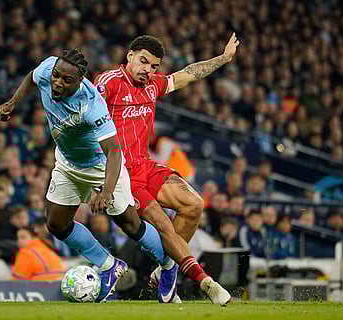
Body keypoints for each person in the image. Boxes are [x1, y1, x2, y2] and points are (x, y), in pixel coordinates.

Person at [0, 49, 215, 303]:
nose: (57, 82)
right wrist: (13, 102)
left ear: (80, 82)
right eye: (56, 76)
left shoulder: (92, 103)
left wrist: (107, 192)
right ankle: (108, 265)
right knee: (56, 224)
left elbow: (113, 152)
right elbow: (32, 78)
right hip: (68, 163)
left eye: (67, 80)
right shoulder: (48, 69)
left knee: (130, 224)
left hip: (101, 166)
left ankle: (168, 264)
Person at [94, 34, 238, 303]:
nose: (148, 70)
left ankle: (165, 269)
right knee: (163, 225)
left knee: (194, 205)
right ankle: (199, 279)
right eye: (143, 62)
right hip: (121, 174)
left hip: (145, 165)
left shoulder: (152, 86)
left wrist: (223, 59)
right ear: (130, 56)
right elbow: (87, 119)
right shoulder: (108, 83)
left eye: (154, 66)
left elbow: (188, 75)